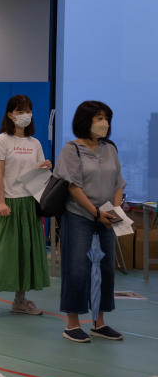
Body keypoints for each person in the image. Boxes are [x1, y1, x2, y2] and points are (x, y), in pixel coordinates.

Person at [56, 101, 126, 342]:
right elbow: (73, 187)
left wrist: (115, 210)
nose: (103, 123)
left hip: (107, 217)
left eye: (106, 117)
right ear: (86, 121)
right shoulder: (71, 149)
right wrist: (95, 213)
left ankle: (99, 322)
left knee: (106, 269)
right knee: (77, 268)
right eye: (98, 118)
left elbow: (119, 183)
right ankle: (73, 323)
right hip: (79, 215)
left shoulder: (110, 148)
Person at [0, 95, 50, 319]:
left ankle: (20, 300)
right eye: (19, 111)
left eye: (27, 110)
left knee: (25, 253)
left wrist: (44, 166)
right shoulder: (1, 140)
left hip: (29, 204)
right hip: (8, 203)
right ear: (9, 114)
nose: (24, 115)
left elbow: (36, 175)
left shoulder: (34, 143)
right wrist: (1, 202)